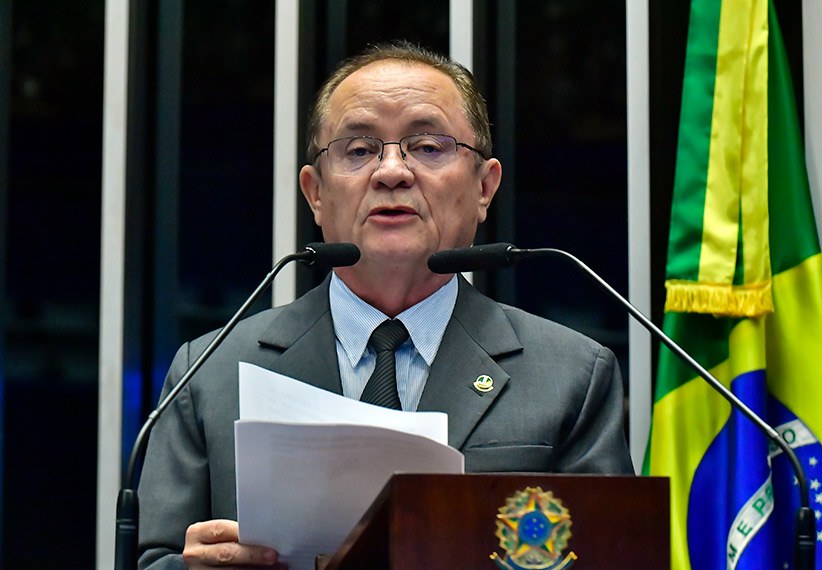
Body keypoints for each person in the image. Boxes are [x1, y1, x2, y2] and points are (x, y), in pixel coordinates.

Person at [137, 40, 634, 569]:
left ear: (485, 187)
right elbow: (153, 558)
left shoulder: (570, 377)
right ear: (316, 195)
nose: (391, 171)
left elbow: (611, 557)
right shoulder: (210, 373)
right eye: (358, 150)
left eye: (428, 146)